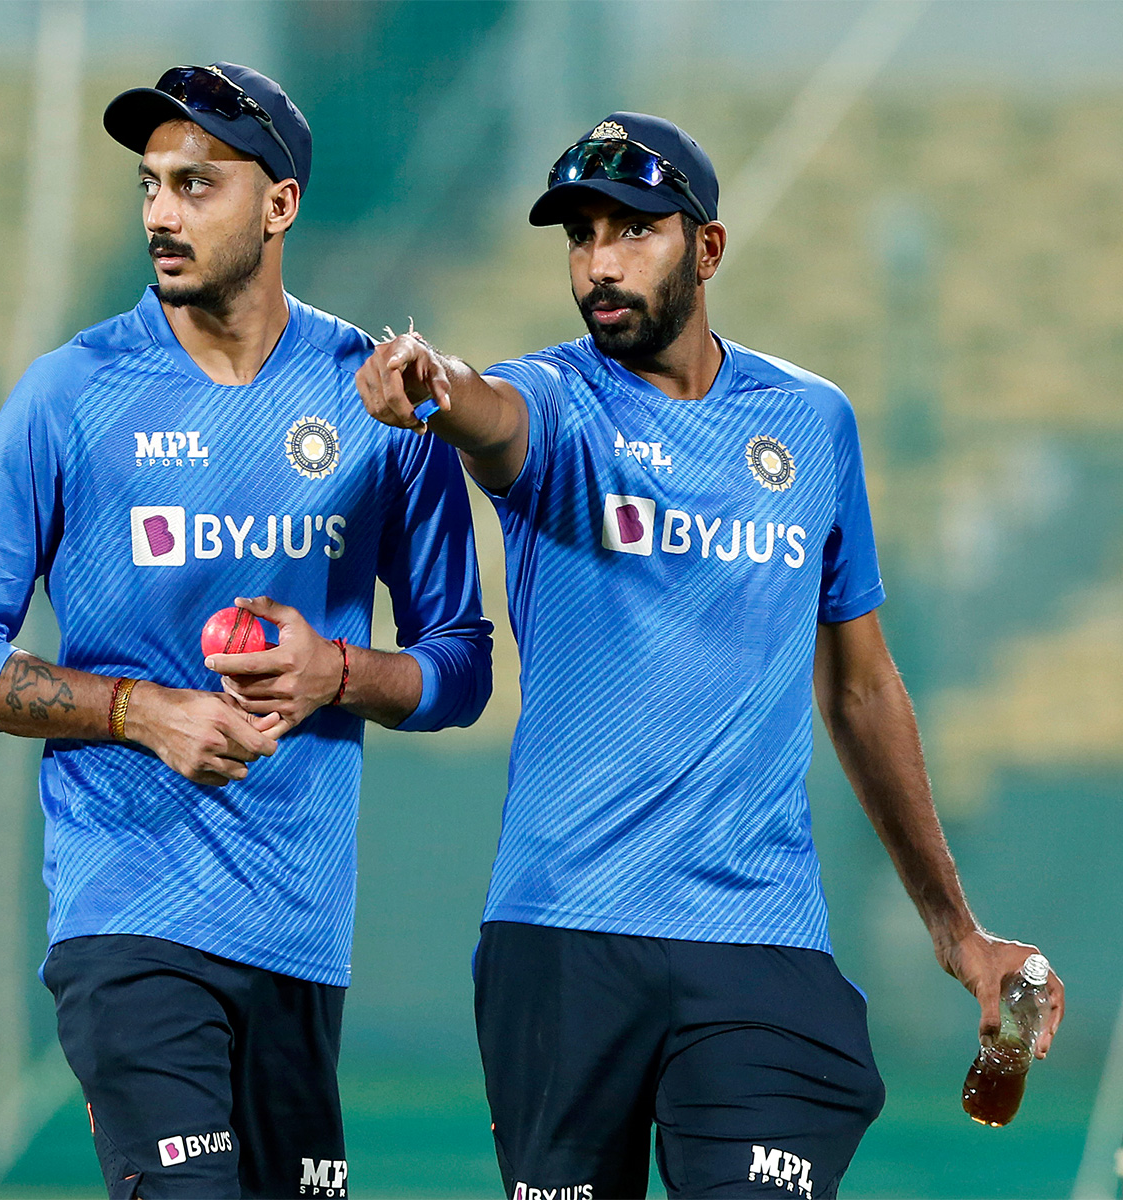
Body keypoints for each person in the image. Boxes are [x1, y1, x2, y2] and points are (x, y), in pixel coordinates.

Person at [355, 112, 1065, 1200]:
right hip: (565, 934)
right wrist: (433, 386)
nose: (600, 264)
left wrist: (956, 933)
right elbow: (488, 413)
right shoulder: (558, 402)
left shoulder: (811, 423)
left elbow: (861, 688)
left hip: (757, 941)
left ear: (708, 247)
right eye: (581, 236)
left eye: (633, 230)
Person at [0, 62, 493, 1200]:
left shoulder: (377, 398)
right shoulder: (72, 392)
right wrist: (140, 711)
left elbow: (460, 665)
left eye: (196, 184)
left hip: (298, 935)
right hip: (129, 918)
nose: (161, 215)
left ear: (279, 205)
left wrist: (333, 671)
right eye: (150, 185)